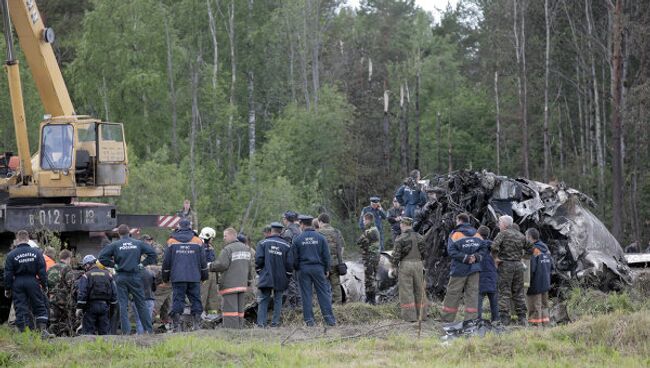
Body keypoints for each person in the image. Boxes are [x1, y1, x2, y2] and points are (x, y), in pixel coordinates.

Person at [98, 224, 157, 334]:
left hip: (121, 277)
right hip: (135, 276)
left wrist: (113, 265)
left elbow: (101, 258)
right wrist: (142, 264)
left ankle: (126, 332)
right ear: (129, 232)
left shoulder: (115, 245)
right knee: (141, 304)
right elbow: (152, 254)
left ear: (119, 234)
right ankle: (148, 330)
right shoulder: (138, 243)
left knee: (123, 305)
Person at [3, 230, 52, 337]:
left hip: (18, 283)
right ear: (28, 239)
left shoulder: (11, 255)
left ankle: (25, 334)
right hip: (33, 281)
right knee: (39, 305)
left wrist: (7, 288)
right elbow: (42, 272)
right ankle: (42, 330)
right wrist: (44, 285)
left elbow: (8, 274)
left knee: (21, 308)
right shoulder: (37, 253)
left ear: (17, 240)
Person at [440, 213, 487, 323]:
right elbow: (484, 248)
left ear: (459, 220)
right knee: (472, 294)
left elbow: (451, 251)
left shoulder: (455, 234)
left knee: (453, 293)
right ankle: (470, 320)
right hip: (475, 268)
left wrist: (465, 258)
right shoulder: (477, 234)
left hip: (459, 268)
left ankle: (447, 319)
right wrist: (475, 257)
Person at [164, 219, 207, 331]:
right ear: (190, 226)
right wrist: (204, 276)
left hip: (177, 277)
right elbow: (203, 261)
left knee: (178, 300)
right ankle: (196, 325)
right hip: (194, 277)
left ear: (178, 226)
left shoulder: (171, 241)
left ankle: (176, 326)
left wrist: (165, 277)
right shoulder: (198, 241)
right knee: (196, 300)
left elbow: (166, 262)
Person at [293, 215, 336, 326]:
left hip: (303, 269)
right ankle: (330, 320)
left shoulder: (297, 239)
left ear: (302, 224)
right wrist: (326, 269)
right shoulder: (321, 238)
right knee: (323, 294)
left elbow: (294, 258)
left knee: (306, 295)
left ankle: (309, 322)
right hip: (318, 269)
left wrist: (298, 268)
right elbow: (326, 255)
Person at [209, 228, 255, 329]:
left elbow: (221, 265)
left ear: (231, 235)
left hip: (230, 284)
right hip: (242, 284)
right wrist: (248, 281)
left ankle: (231, 330)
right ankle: (239, 328)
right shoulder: (246, 248)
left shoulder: (228, 249)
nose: (224, 238)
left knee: (230, 310)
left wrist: (210, 266)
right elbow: (249, 266)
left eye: (225, 236)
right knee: (239, 310)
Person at [491, 215, 533, 326]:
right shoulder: (520, 235)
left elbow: (494, 247)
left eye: (500, 223)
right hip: (518, 266)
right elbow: (531, 248)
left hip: (505, 265)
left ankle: (504, 319)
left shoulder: (502, 234)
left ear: (505, 224)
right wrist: (524, 257)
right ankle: (522, 318)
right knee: (518, 293)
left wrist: (496, 259)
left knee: (504, 292)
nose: (499, 225)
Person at [255, 222, 293, 327]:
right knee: (278, 299)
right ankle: (275, 323)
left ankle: (261, 324)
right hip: (281, 276)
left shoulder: (262, 243)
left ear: (271, 230)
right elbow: (289, 264)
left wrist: (260, 271)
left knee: (263, 299)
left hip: (266, 275)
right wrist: (287, 275)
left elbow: (258, 260)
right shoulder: (286, 245)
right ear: (281, 231)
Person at [391, 217, 427, 322]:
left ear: (403, 225)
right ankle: (422, 315)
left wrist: (393, 266)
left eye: (401, 224)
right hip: (418, 264)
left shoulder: (400, 238)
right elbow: (424, 253)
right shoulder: (420, 237)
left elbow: (396, 256)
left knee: (406, 291)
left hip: (405, 265)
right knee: (420, 290)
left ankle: (410, 317)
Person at [76, 255, 118, 335]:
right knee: (105, 334)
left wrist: (79, 307)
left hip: (90, 307)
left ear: (88, 264)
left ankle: (89, 347)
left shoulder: (86, 276)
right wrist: (113, 308)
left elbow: (82, 293)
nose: (85, 268)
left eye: (85, 265)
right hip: (105, 307)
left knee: (88, 333)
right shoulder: (108, 275)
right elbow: (114, 293)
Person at [525, 228, 553, 326]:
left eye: (526, 237)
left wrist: (527, 282)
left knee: (534, 308)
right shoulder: (546, 249)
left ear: (529, 237)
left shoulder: (534, 250)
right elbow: (552, 266)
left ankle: (535, 329)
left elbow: (531, 268)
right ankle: (546, 326)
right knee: (544, 306)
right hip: (545, 282)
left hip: (535, 283)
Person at [317, 213, 346, 305]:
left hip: (322, 264)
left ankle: (325, 305)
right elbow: (342, 247)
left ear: (320, 222)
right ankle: (338, 305)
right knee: (336, 285)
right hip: (335, 263)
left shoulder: (318, 233)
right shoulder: (337, 232)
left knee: (322, 285)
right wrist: (338, 259)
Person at [477, 226, 499, 322]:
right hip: (492, 276)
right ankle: (496, 320)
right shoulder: (494, 247)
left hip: (480, 276)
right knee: (494, 301)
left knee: (478, 301)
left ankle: (478, 320)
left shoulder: (477, 246)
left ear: (478, 234)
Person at [357, 212, 380, 305]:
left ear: (368, 220)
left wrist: (364, 242)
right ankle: (370, 297)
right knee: (371, 277)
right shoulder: (373, 229)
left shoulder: (370, 231)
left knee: (369, 278)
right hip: (373, 256)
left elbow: (359, 241)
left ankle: (371, 299)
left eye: (364, 220)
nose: (363, 222)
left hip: (370, 257)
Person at [199, 227, 220, 314]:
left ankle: (212, 316)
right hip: (204, 273)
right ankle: (199, 315)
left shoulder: (210, 247)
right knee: (203, 295)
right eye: (212, 238)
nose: (212, 240)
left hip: (212, 273)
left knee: (213, 295)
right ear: (208, 237)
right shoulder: (199, 246)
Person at [132, 266, 156, 334]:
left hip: (137, 299)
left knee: (139, 320)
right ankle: (148, 337)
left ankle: (140, 338)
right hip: (149, 299)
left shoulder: (133, 273)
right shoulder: (151, 273)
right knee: (148, 320)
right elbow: (154, 288)